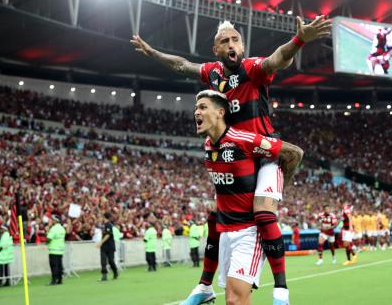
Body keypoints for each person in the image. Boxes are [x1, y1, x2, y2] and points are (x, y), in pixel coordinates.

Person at [132, 16, 327, 304]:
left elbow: (277, 60)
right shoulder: (212, 73)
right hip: (233, 153)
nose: (232, 44)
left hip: (262, 152)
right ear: (216, 49)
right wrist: (152, 53)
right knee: (216, 216)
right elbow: (182, 66)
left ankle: (281, 290)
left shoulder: (251, 68)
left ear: (243, 45)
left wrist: (299, 40)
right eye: (225, 41)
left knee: (262, 214)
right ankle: (204, 286)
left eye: (236, 39)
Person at [182, 90, 302, 305]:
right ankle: (204, 286)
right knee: (234, 300)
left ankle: (282, 290)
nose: (196, 112)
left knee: (235, 300)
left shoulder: (243, 140)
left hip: (249, 231)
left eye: (202, 107)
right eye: (195, 108)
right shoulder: (209, 146)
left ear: (220, 112)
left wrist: (278, 189)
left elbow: (294, 153)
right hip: (226, 233)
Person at [97, 212, 118, 281]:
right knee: (103, 261)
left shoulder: (109, 225)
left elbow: (108, 235)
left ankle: (115, 272)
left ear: (104, 217)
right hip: (104, 246)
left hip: (110, 246)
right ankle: (104, 275)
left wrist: (101, 242)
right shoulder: (103, 225)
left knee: (110, 261)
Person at [46, 215, 66, 285]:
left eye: (52, 220)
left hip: (53, 250)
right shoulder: (62, 228)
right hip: (60, 250)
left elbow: (49, 238)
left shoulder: (53, 229)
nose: (51, 221)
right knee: (59, 265)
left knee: (54, 266)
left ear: (55, 221)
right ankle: (60, 280)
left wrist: (47, 230)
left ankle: (54, 280)